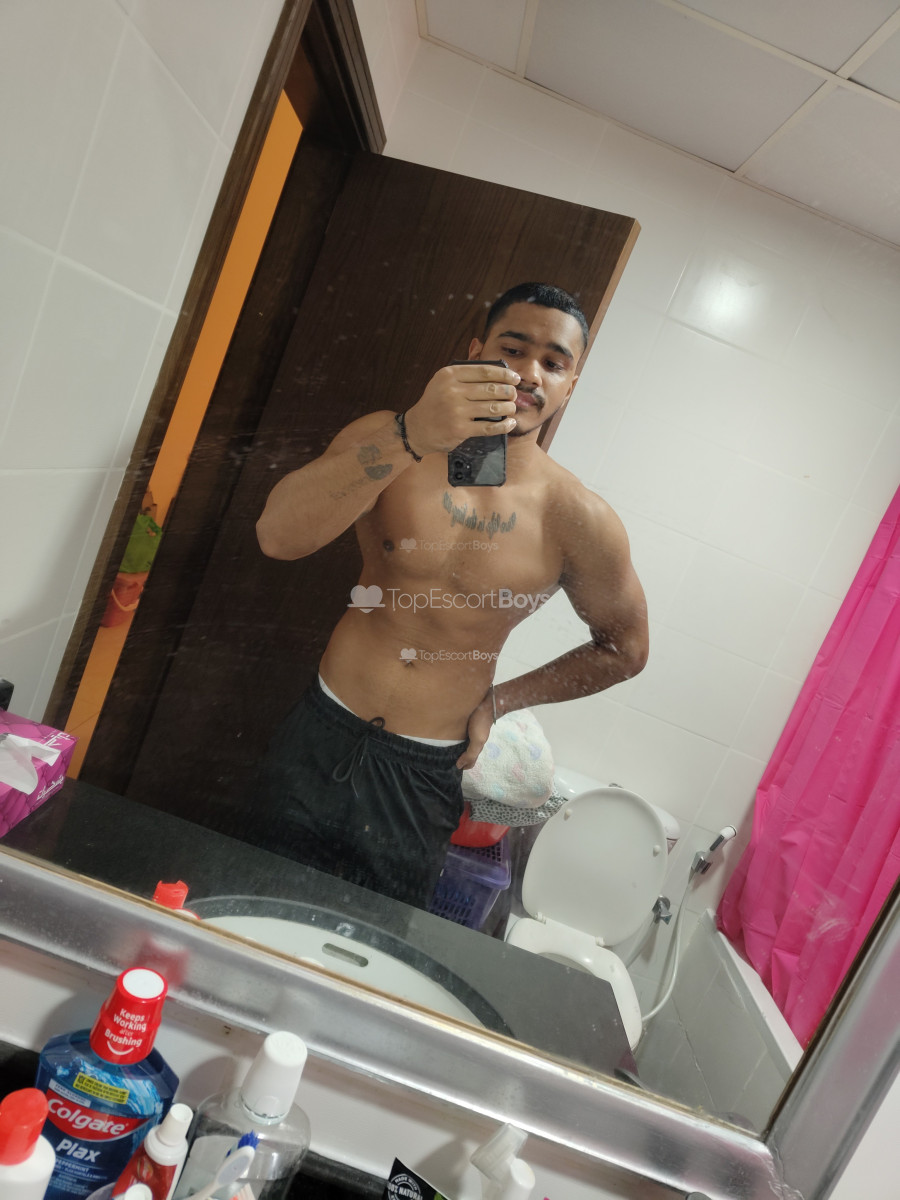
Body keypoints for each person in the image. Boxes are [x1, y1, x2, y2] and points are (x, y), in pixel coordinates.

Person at [252, 282, 649, 907]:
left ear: (571, 385)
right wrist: (410, 434)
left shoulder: (575, 516)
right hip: (318, 732)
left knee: (370, 950)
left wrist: (501, 702)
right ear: (474, 352)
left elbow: (625, 650)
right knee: (245, 912)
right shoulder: (388, 438)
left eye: (553, 362)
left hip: (423, 774)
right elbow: (276, 537)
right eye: (512, 349)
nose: (528, 373)